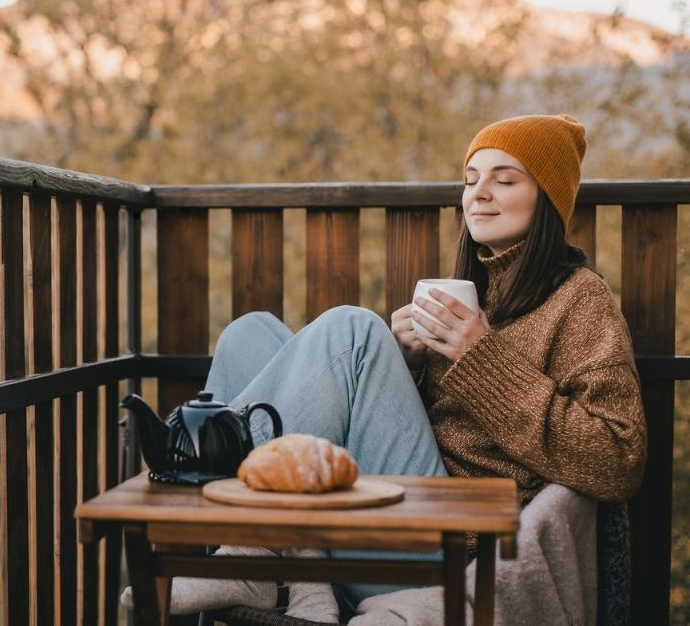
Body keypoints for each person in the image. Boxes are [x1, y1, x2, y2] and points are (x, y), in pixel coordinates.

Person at [121, 114, 648, 622]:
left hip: (448, 547)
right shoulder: (474, 290)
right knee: (248, 333)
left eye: (504, 179)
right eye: (470, 180)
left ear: (549, 199)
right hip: (398, 507)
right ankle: (247, 551)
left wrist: (480, 358)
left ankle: (234, 541)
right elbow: (427, 427)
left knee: (354, 331)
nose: (479, 193)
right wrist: (410, 364)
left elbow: (618, 459)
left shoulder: (581, 301)